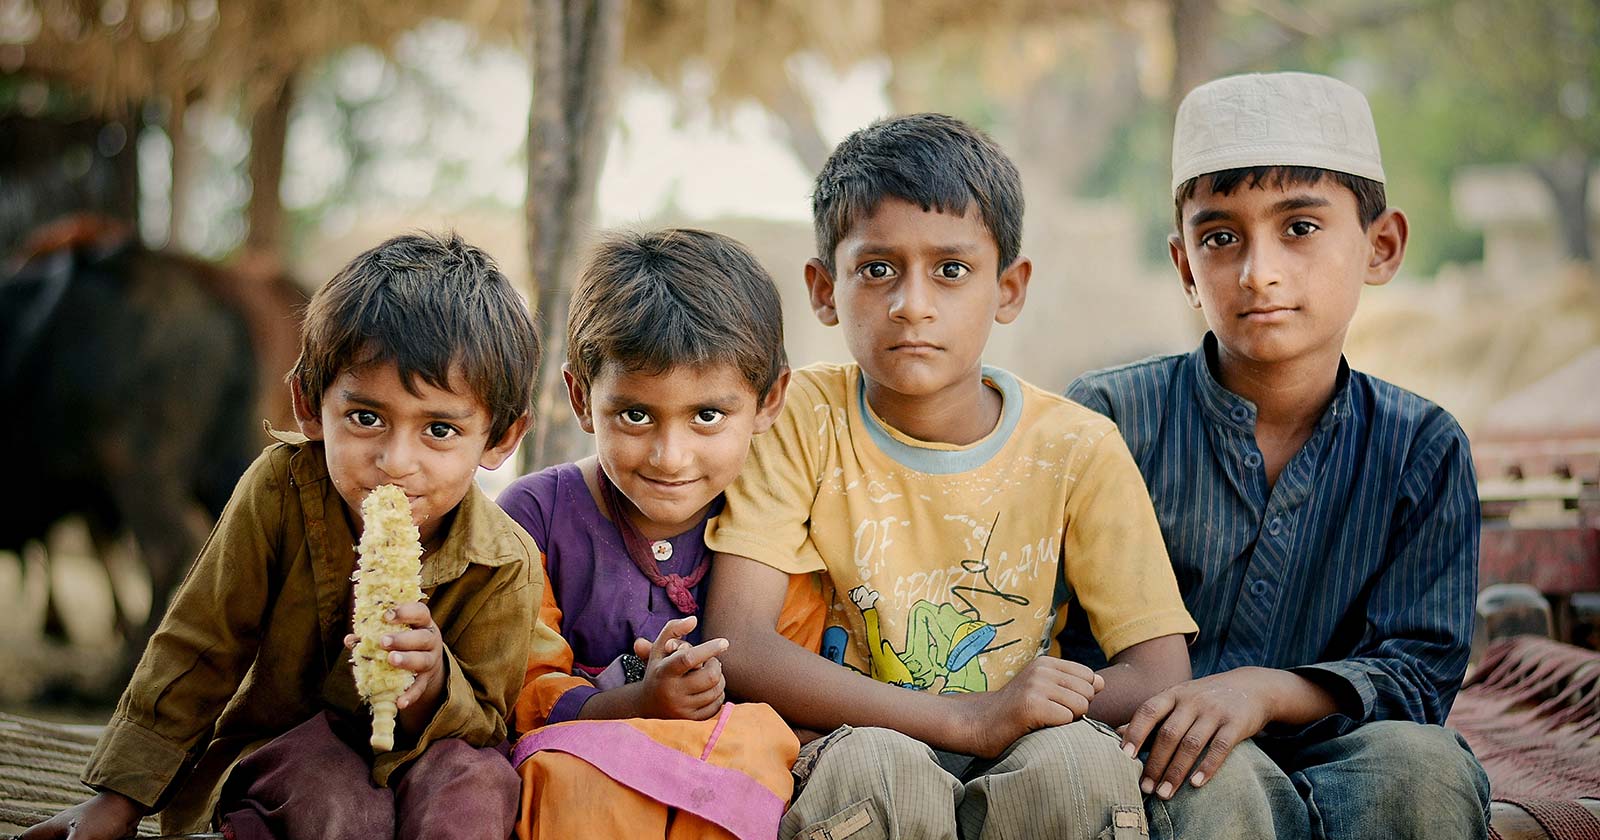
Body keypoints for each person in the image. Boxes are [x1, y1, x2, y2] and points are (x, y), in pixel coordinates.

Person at [702, 113, 1200, 840]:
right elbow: (738, 640)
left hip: (1027, 749)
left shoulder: (1076, 447)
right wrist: (966, 718)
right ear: (822, 288)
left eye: (951, 270)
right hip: (861, 738)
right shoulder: (801, 415)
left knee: (1075, 766)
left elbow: (1159, 675)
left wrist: (1015, 712)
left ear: (1008, 288)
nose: (913, 303)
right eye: (877, 269)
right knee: (874, 767)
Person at [1060, 72, 1491, 839]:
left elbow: (1421, 677)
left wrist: (1268, 691)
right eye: (1221, 236)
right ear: (1186, 264)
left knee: (1427, 769)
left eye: (1299, 227)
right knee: (1208, 779)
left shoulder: (1421, 446)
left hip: (1349, 748)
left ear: (1381, 246)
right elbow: (1045, 631)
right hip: (1152, 752)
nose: (1259, 271)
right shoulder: (1107, 420)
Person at [24, 232, 545, 840]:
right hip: (285, 750)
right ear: (307, 404)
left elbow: (486, 718)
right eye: (366, 418)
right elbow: (199, 646)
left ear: (502, 438)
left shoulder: (506, 562)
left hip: (432, 755)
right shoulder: (278, 491)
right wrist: (119, 802)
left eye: (439, 430)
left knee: (479, 787)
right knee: (335, 800)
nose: (396, 461)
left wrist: (433, 687)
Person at [499, 228, 822, 840]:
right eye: (636, 415)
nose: (670, 457)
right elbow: (521, 687)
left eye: (707, 416)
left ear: (770, 399)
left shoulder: (774, 524)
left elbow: (795, 684)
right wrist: (636, 704)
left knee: (754, 746)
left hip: (722, 793)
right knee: (566, 775)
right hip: (586, 793)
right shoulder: (535, 517)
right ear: (580, 397)